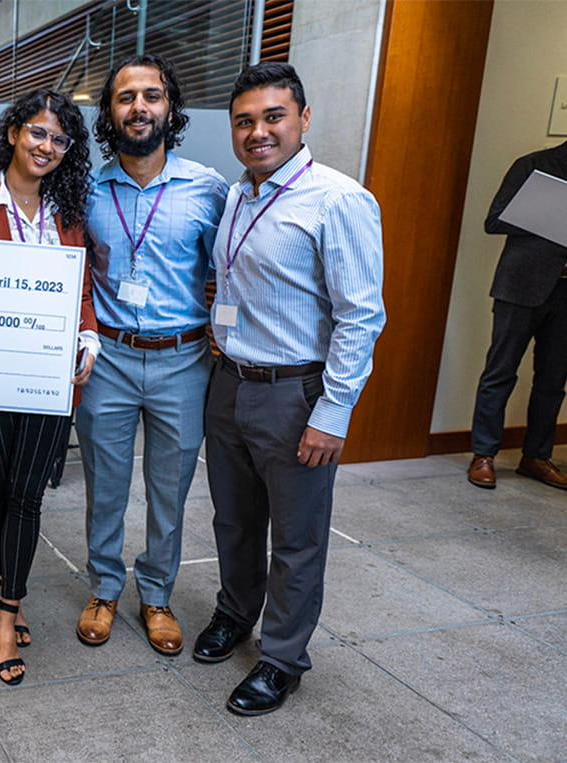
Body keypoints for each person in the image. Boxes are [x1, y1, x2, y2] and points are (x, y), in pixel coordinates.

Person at [195, 63, 385, 716]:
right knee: (234, 519)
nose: (258, 131)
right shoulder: (237, 196)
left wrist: (332, 412)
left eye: (273, 116)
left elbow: (362, 314)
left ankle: (281, 658)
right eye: (244, 120)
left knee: (297, 537)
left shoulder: (339, 199)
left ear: (303, 119)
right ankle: (235, 613)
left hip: (295, 393)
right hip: (229, 383)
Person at [75, 55, 227, 655]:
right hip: (109, 357)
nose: (139, 107)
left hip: (184, 362)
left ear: (170, 107)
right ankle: (105, 587)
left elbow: (230, 271)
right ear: (110, 113)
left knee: (171, 488)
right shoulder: (86, 189)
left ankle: (157, 592)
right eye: (125, 98)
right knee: (104, 486)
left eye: (152, 96)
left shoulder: (208, 189)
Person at [0, 88, 98, 685]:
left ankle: (8, 610)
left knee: (28, 494)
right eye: (37, 132)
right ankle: (5, 586)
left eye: (60, 139)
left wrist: (87, 340)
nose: (47, 146)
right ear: (13, 133)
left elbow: (81, 292)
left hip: (47, 377)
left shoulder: (68, 213)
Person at [466, 141, 567, 491]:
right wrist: (548, 214)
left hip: (565, 294)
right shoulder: (533, 164)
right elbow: (493, 221)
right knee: (500, 371)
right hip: (521, 286)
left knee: (553, 380)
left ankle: (536, 456)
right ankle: (483, 454)